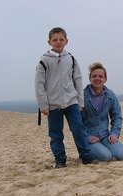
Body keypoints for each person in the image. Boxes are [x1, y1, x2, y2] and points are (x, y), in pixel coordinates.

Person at [35, 27, 96, 168]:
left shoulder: (71, 59)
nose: (58, 42)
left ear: (66, 41)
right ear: (49, 41)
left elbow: (78, 80)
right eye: (55, 39)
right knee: (56, 134)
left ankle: (85, 156)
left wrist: (80, 102)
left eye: (61, 39)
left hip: (71, 102)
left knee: (78, 129)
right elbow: (39, 84)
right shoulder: (44, 61)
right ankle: (60, 160)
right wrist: (43, 105)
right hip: (53, 104)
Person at [81, 62, 123, 161]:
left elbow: (117, 116)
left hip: (105, 136)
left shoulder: (110, 95)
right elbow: (76, 122)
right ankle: (85, 152)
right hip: (88, 137)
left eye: (101, 76)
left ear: (105, 79)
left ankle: (102, 149)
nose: (97, 78)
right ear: (90, 78)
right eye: (94, 76)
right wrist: (87, 137)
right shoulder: (82, 96)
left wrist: (114, 133)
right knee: (106, 157)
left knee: (122, 155)